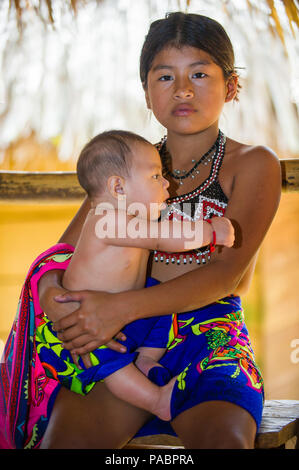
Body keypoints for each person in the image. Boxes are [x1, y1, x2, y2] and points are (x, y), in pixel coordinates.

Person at [0, 12, 281, 449]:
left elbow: (226, 275)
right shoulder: (126, 169)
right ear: (147, 93)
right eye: (165, 76)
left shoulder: (253, 163)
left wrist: (121, 307)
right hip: (119, 340)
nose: (183, 89)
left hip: (206, 333)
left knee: (226, 441)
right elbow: (65, 252)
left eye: (200, 74)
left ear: (230, 86)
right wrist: (53, 294)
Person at [35, 129, 234, 421]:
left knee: (163, 304)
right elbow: (162, 239)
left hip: (123, 312)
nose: (167, 183)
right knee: (109, 362)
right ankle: (155, 401)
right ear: (118, 188)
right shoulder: (105, 220)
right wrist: (210, 232)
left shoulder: (129, 219)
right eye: (156, 177)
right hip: (83, 323)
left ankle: (144, 360)